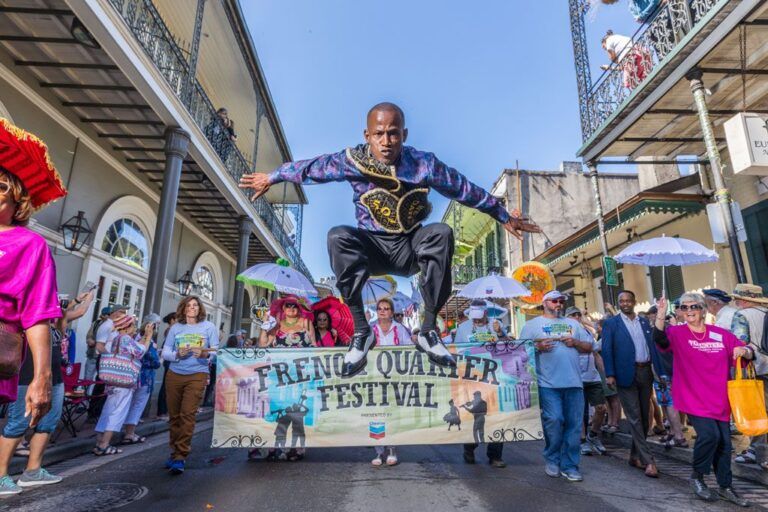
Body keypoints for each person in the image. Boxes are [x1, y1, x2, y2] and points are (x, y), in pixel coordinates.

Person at [239, 102, 540, 377]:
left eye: (393, 134)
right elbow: (312, 168)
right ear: (367, 135)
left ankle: (427, 330)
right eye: (379, 134)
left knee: (441, 233)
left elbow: (461, 187)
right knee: (338, 236)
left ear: (404, 134)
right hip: (372, 247)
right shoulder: (352, 161)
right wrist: (273, 176)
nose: (386, 142)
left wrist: (502, 215)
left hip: (409, 246)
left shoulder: (423, 164)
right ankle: (361, 331)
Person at [0, 145, 67, 495]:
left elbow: (37, 315)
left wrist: (43, 377)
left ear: (17, 201)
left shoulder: (30, 246)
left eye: (1, 188)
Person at [653, 294, 752, 506]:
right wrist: (660, 316)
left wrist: (744, 350)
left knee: (725, 444)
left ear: (703, 309)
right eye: (684, 307)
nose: (689, 310)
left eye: (694, 306)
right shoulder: (677, 333)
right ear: (679, 311)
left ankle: (725, 486)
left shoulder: (720, 334)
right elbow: (659, 340)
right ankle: (697, 477)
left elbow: (746, 350)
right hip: (693, 396)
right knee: (709, 436)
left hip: (720, 398)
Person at [0, 291, 92, 492]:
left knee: (48, 423)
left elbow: (72, 313)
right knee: (18, 424)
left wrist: (85, 298)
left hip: (54, 380)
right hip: (27, 377)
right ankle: (0, 475)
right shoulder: (27, 317)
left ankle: (33, 471)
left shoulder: (57, 323)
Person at [520, 290, 594, 482]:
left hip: (574, 383)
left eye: (561, 301)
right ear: (544, 303)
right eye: (555, 301)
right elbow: (519, 351)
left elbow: (589, 347)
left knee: (574, 426)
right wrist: (538, 347)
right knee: (554, 419)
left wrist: (576, 342)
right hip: (547, 384)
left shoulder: (573, 324)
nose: (559, 304)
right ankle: (552, 458)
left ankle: (570, 465)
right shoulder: (531, 325)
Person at [602, 290, 659, 478]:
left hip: (645, 371)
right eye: (622, 301)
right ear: (618, 303)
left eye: (628, 300)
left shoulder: (644, 322)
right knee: (634, 417)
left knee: (644, 417)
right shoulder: (612, 323)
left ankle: (634, 456)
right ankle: (648, 460)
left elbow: (652, 346)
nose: (625, 303)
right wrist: (609, 374)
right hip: (624, 374)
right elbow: (607, 349)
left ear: (634, 302)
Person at [162, 296, 219, 475]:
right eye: (188, 305)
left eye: (195, 305)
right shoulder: (176, 328)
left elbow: (215, 351)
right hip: (174, 374)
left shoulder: (209, 327)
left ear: (200, 308)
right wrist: (177, 354)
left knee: (188, 415)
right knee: (174, 416)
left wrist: (204, 355)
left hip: (197, 374)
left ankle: (180, 456)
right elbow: (165, 352)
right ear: (183, 308)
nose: (192, 308)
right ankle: (174, 451)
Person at [454, 300, 506, 468]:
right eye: (473, 317)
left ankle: (495, 455)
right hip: (472, 377)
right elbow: (457, 351)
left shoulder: (496, 324)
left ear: (485, 313)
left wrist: (499, 334)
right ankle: (469, 447)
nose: (476, 321)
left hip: (495, 376)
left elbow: (509, 345)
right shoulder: (463, 328)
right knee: (475, 415)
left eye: (479, 317)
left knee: (496, 415)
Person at [93, 315, 153, 456]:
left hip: (112, 381)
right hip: (123, 383)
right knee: (117, 413)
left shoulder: (114, 338)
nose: (134, 329)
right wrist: (148, 336)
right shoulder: (125, 339)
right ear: (126, 327)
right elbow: (140, 352)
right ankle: (104, 445)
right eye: (132, 326)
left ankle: (99, 442)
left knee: (107, 411)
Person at [729, 284, 768, 470]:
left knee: (758, 411)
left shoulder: (742, 315)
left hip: (758, 368)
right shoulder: (765, 312)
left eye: (737, 299)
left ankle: (757, 451)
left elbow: (739, 342)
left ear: (744, 300)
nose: (735, 303)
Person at [370, 298, 410, 467]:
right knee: (377, 415)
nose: (383, 311)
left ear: (392, 312)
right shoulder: (371, 329)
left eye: (386, 308)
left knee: (393, 414)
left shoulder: (399, 328)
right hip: (375, 379)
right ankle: (379, 452)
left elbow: (409, 348)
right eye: (380, 308)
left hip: (394, 378)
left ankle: (392, 450)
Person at [565, 307, 607, 457]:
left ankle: (593, 435)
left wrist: (605, 375)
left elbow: (594, 352)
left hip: (593, 376)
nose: (576, 317)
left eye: (578, 314)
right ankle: (582, 441)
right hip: (576, 376)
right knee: (580, 411)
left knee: (601, 408)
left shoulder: (587, 331)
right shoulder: (565, 333)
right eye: (573, 315)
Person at [121, 315, 162, 444]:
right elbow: (154, 361)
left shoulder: (135, 338)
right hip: (144, 377)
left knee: (129, 403)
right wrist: (160, 359)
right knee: (137, 404)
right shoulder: (148, 342)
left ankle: (126, 430)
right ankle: (130, 433)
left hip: (133, 374)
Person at [156, 312, 177, 420]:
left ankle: (166, 410)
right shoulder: (171, 330)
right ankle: (161, 411)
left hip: (172, 361)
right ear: (172, 320)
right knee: (166, 386)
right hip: (170, 361)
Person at [85, 307, 109, 382]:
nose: (107, 316)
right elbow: (89, 336)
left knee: (102, 379)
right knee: (88, 378)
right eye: (107, 315)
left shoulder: (113, 325)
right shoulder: (96, 323)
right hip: (93, 355)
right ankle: (87, 392)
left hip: (105, 357)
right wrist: (90, 340)